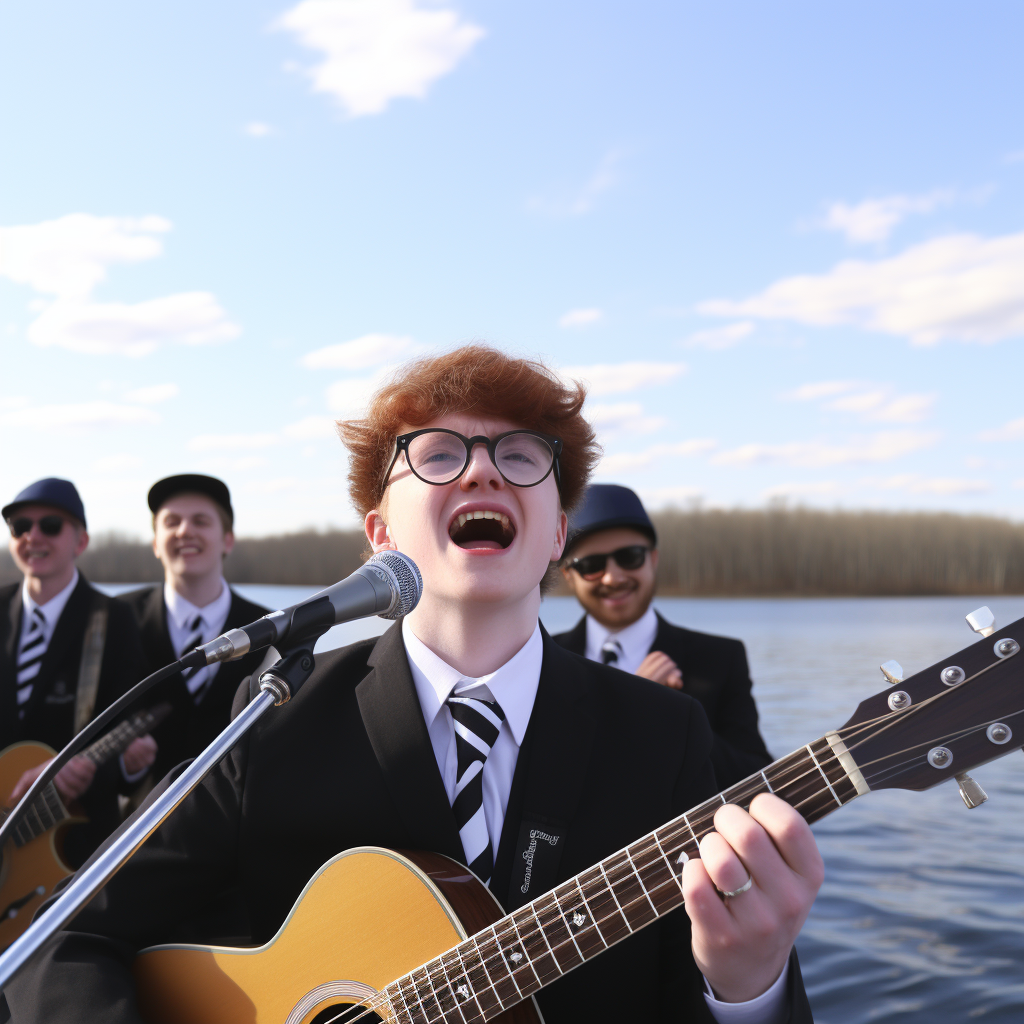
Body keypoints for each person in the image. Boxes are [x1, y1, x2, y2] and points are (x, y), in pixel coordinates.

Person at [3, 348, 822, 1023]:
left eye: (522, 455)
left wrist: (749, 986)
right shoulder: (269, 723)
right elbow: (62, 945)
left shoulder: (665, 735)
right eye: (436, 454)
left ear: (557, 537)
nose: (482, 474)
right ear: (380, 535)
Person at [554, 483, 772, 789]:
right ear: (568, 575)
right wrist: (637, 708)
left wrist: (672, 717)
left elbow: (758, 783)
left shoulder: (720, 658)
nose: (613, 577)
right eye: (591, 565)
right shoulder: (541, 658)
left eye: (629, 557)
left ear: (653, 560)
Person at [0, 478, 153, 866]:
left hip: (72, 856)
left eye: (50, 525)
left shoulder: (115, 620)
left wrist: (102, 769)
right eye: (20, 526)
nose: (33, 536)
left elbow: (130, 732)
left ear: (80, 542)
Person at [121, 475, 268, 785]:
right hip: (140, 824)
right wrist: (125, 766)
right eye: (171, 522)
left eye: (200, 521)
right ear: (155, 543)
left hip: (240, 823)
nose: (185, 531)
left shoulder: (269, 629)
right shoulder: (117, 619)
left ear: (227, 539)